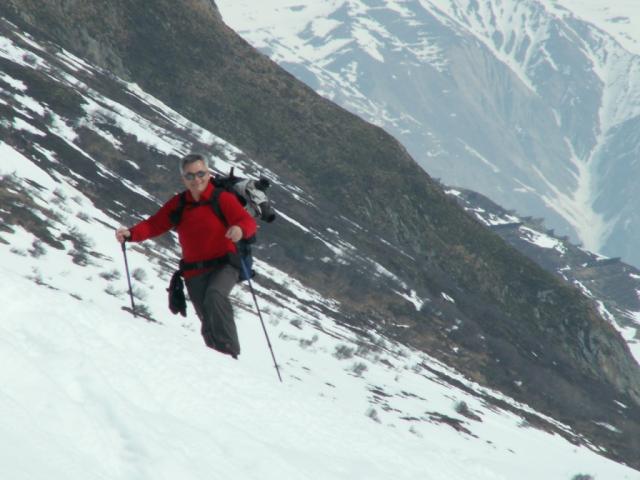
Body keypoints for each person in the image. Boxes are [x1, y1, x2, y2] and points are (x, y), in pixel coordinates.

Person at [115, 153, 257, 359]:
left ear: (208, 174)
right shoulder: (180, 204)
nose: (196, 179)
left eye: (201, 173)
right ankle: (217, 358)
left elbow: (247, 222)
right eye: (190, 176)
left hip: (225, 264)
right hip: (194, 271)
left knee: (216, 296)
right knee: (206, 317)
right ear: (184, 179)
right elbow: (155, 224)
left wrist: (239, 230)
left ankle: (230, 353)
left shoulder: (222, 199)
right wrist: (131, 234)